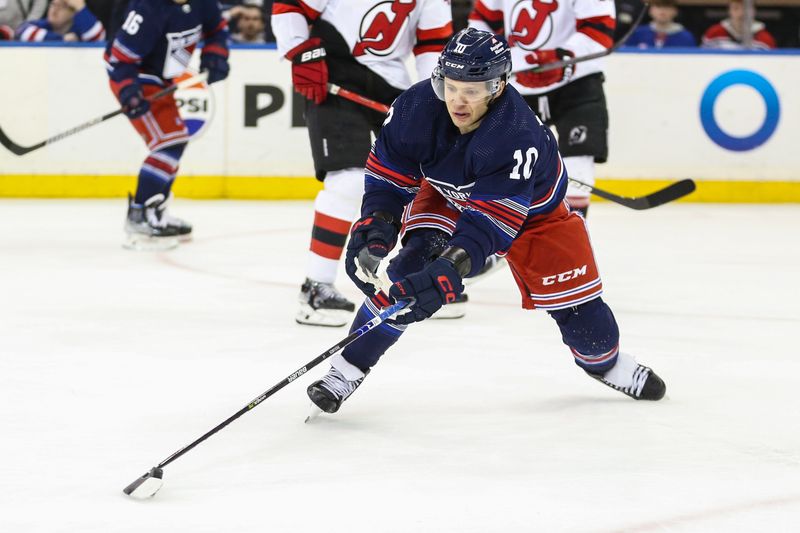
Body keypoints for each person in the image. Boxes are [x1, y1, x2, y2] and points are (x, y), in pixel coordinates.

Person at [306, 28, 666, 415]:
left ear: (498, 86)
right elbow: (388, 179)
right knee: (409, 270)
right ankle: (346, 369)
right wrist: (375, 227)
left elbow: (489, 225)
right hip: (448, 193)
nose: (458, 101)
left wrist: (452, 266)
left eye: (473, 90)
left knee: (586, 324)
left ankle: (605, 363)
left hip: (535, 217)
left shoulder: (515, 133)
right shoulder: (415, 106)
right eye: (451, 86)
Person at [271, 0, 453, 327]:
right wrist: (300, 51)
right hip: (334, 74)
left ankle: (419, 274)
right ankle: (316, 286)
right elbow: (290, 6)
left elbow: (432, 44)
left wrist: (438, 98)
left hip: (393, 85)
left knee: (428, 181)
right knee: (349, 181)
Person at [468, 0, 616, 218]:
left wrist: (564, 59)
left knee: (578, 161)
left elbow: (600, 28)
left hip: (578, 82)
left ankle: (571, 241)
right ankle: (496, 241)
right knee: (503, 163)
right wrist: (499, 61)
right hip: (517, 83)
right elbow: (483, 20)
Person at [104, 0, 230, 249]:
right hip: (138, 79)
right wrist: (128, 91)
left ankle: (156, 213)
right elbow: (118, 60)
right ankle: (140, 216)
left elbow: (216, 29)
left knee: (174, 142)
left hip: (163, 80)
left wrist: (215, 55)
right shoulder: (147, 8)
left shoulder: (203, 3)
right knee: (169, 142)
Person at [15, 0, 105, 42]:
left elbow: (98, 37)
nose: (55, 9)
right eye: (53, 4)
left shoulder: (80, 30)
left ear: (73, 12)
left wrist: (80, 7)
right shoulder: (43, 24)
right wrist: (62, 39)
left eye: (61, 6)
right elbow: (22, 32)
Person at [702, 0, 776, 50]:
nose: (741, 14)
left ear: (754, 11)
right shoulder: (714, 34)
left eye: (746, 9)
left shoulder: (765, 39)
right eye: (736, 8)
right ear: (729, 10)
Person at [627, 0, 696, 49]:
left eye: (667, 7)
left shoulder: (685, 36)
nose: (662, 11)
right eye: (658, 6)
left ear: (675, 11)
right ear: (650, 10)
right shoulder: (638, 33)